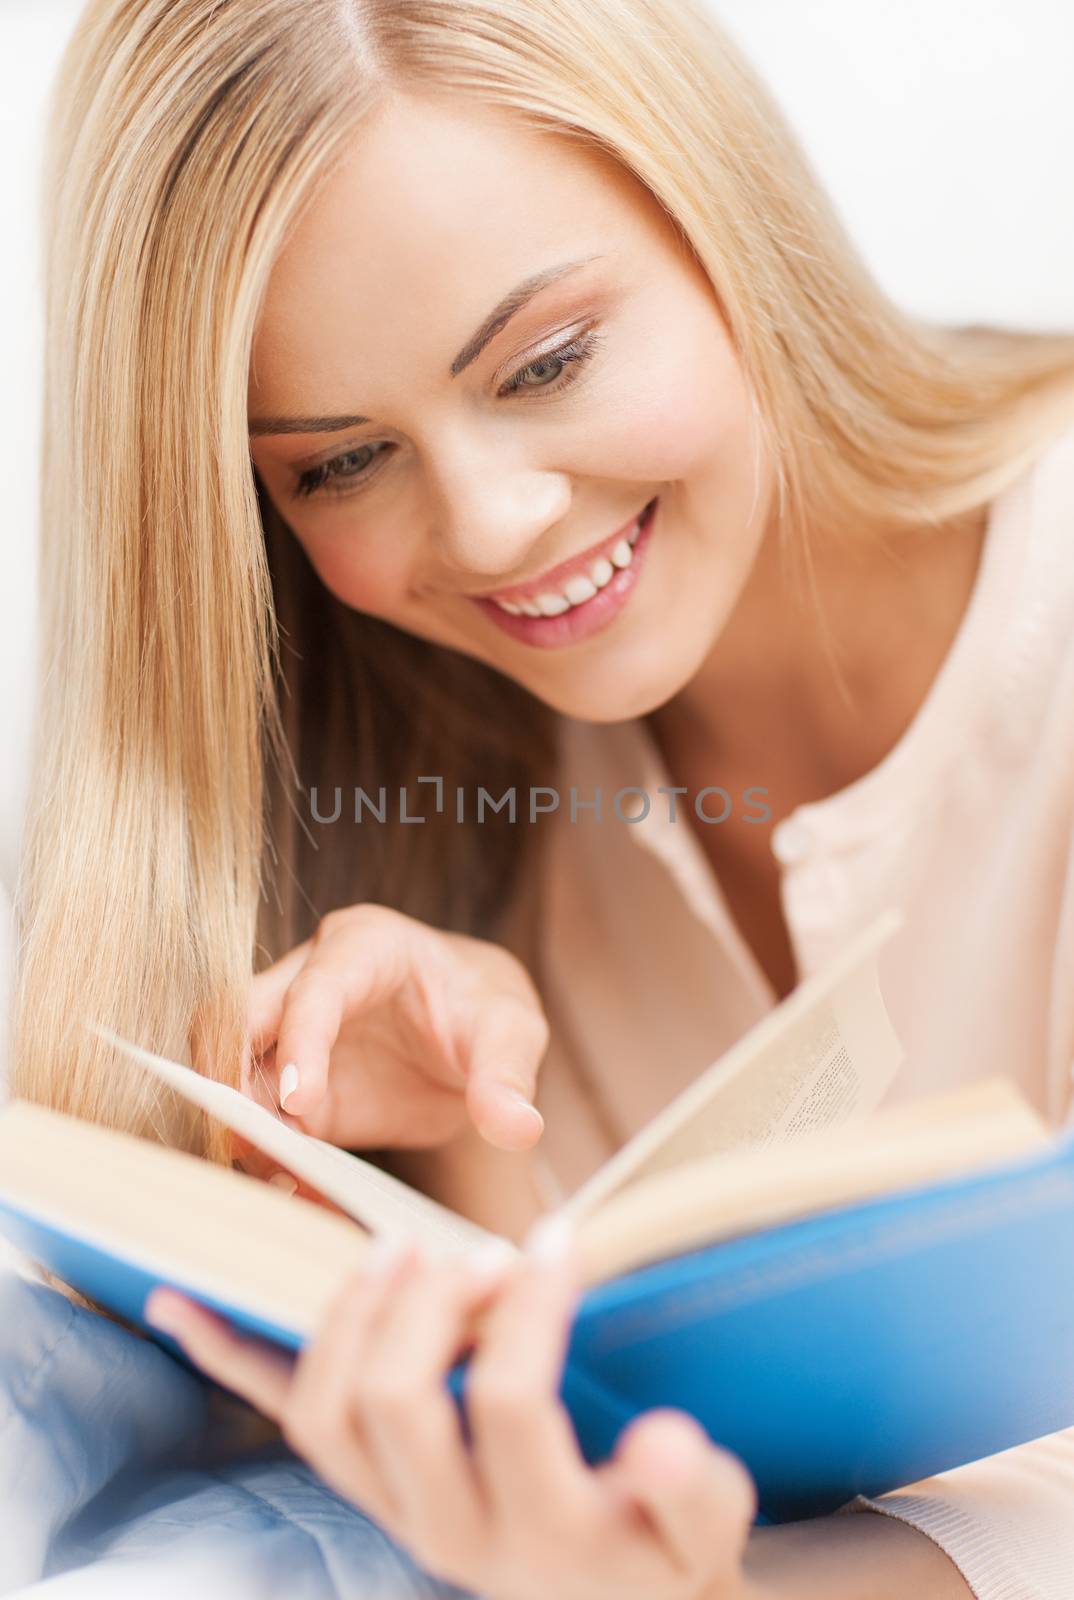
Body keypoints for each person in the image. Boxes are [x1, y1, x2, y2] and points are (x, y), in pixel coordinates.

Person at [9, 0, 1074, 1596]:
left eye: (550, 360)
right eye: (339, 463)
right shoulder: (415, 775)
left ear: (727, 216)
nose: (496, 526)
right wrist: (441, 1177)